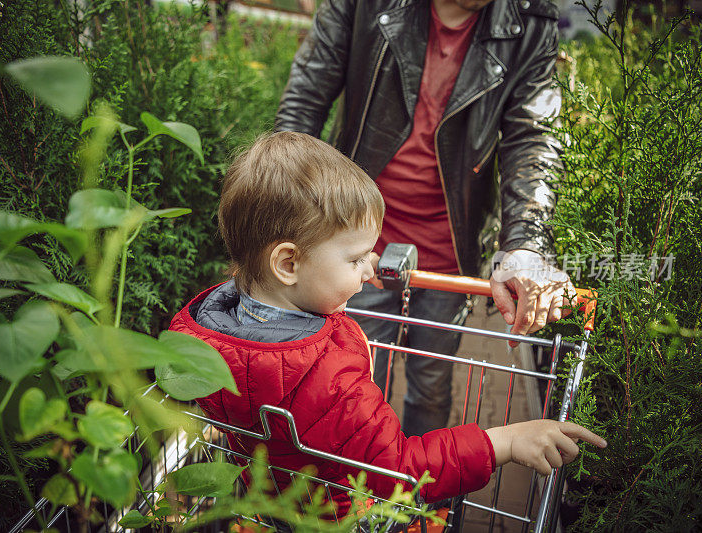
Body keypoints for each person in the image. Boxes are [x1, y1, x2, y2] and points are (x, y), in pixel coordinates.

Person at [168, 132, 605, 517]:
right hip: (342, 514)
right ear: (287, 262)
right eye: (355, 258)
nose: (365, 271)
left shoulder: (214, 328)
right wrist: (503, 442)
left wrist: (347, 260)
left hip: (273, 501)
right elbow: (394, 470)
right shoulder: (327, 380)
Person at [275, 0, 574, 436]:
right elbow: (308, 91)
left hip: (448, 249)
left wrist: (525, 244)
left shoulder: (530, 22)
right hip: (355, 245)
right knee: (349, 384)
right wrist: (283, 202)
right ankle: (350, 498)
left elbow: (534, 137)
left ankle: (419, 497)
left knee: (431, 386)